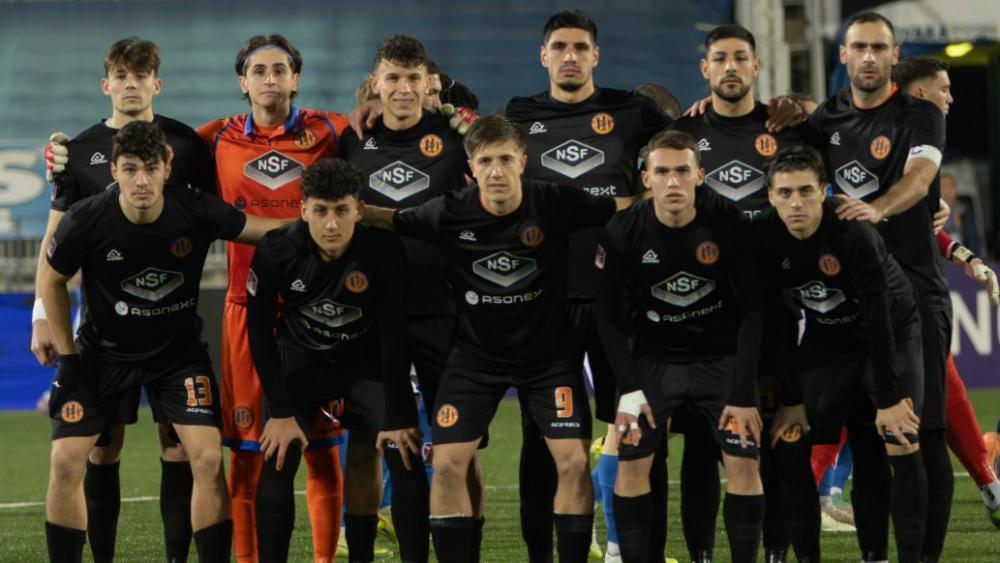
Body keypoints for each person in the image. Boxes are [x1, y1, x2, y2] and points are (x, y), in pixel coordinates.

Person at [364, 115, 620, 562]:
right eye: (486, 161)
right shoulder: (448, 210)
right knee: (446, 465)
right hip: (474, 361)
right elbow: (393, 219)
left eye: (505, 159)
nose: (496, 170)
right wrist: (348, 209)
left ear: (523, 162)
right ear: (471, 168)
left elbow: (621, 207)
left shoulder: (556, 201)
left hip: (549, 360)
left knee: (575, 463)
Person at [39, 120, 288, 563]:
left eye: (150, 168)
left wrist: (321, 223)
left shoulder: (195, 209)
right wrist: (70, 361)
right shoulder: (86, 218)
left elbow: (262, 229)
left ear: (167, 167)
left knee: (209, 460)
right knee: (65, 461)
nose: (141, 181)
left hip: (177, 359)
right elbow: (51, 280)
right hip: (101, 356)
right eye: (130, 168)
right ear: (114, 170)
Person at [34, 37, 216, 563]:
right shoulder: (79, 151)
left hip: (174, 328)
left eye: (142, 74)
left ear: (158, 84)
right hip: (105, 332)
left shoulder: (188, 145)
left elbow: (213, 214)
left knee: (176, 443)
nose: (131, 83)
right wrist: (43, 314)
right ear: (106, 84)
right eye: (121, 74)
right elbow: (54, 240)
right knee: (103, 447)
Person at [503, 11, 673, 560]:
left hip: (619, 300)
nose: (570, 55)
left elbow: (690, 149)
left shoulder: (633, 111)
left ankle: (644, 551)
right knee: (542, 441)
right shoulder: (520, 115)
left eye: (580, 46)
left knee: (642, 432)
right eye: (560, 46)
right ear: (543, 56)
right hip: (544, 301)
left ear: (596, 55)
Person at [195, 35, 352, 563]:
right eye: (258, 70)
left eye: (279, 69)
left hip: (319, 310)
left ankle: (325, 560)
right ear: (243, 81)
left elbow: (393, 134)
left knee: (323, 448)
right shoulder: (215, 138)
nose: (269, 78)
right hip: (245, 307)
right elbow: (151, 154)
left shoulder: (332, 129)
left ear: (295, 78)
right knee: (246, 453)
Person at [807, 13, 952, 562]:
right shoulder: (827, 119)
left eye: (879, 48)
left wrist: (878, 208)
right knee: (867, 438)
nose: (868, 57)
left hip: (915, 290)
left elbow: (919, 180)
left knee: (924, 434)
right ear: (843, 56)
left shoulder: (921, 115)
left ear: (894, 56)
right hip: (852, 298)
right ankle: (873, 557)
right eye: (858, 47)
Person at [669, 24, 814, 562]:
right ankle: (704, 555)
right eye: (719, 59)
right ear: (704, 69)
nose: (730, 67)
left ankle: (775, 552)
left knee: (778, 439)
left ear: (757, 67)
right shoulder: (680, 135)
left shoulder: (789, 131)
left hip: (777, 307)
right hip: (705, 312)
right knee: (703, 446)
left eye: (740, 58)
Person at [596, 130, 764, 563]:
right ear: (646, 179)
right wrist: (628, 388)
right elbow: (607, 316)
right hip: (653, 360)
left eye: (683, 171)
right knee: (631, 461)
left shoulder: (728, 222)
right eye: (663, 172)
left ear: (700, 175)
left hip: (719, 357)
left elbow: (753, 311)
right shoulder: (623, 229)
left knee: (744, 461)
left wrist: (744, 394)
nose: (673, 182)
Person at [245, 158, 425, 563]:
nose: (331, 224)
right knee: (277, 454)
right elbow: (258, 334)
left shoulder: (384, 252)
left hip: (366, 365)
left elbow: (394, 334)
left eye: (342, 210)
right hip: (300, 364)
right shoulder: (275, 251)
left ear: (358, 211)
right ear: (303, 208)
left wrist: (397, 413)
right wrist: (281, 411)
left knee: (405, 454)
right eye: (321, 211)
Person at [758, 145, 931, 563]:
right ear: (770, 196)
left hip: (890, 333)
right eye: (784, 193)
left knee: (895, 439)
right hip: (826, 338)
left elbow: (878, 319)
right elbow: (775, 321)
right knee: (788, 441)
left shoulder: (854, 233)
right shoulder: (764, 236)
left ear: (824, 190)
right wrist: (792, 399)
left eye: (804, 191)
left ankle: (891, 556)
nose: (795, 203)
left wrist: (888, 399)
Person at [340, 34, 474, 562]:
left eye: (413, 78)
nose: (402, 88)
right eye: (392, 78)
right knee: (386, 446)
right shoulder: (351, 141)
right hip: (370, 318)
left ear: (429, 83)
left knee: (457, 449)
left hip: (444, 310)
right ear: (375, 83)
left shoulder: (458, 135)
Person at [893, 54, 1000, 529]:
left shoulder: (923, 147)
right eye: (944, 89)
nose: (951, 98)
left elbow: (920, 223)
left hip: (913, 290)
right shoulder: (866, 138)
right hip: (849, 287)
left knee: (940, 385)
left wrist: (964, 256)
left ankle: (988, 479)